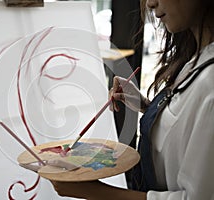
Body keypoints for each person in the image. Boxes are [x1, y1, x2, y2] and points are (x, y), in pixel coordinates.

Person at [51, 0, 214, 199]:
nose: (150, 3)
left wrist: (94, 192)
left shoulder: (210, 79)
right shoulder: (197, 59)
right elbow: (189, 130)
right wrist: (148, 107)